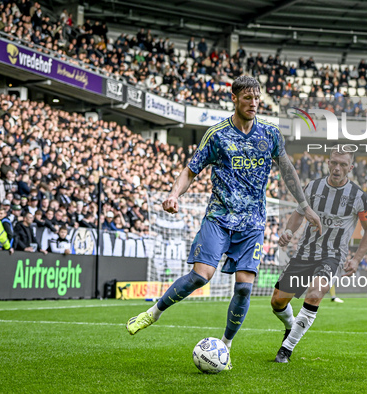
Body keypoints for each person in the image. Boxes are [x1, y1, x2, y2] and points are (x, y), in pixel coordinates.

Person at [125, 76, 322, 369]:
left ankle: (225, 347)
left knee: (244, 288)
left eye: (257, 99)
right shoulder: (217, 135)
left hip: (253, 224)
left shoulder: (269, 134)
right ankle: (153, 313)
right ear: (235, 99)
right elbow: (191, 170)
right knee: (200, 276)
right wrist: (173, 194)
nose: (253, 104)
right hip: (218, 218)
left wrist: (304, 205)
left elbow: (287, 170)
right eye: (247, 99)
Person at [270, 148, 367, 363]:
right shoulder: (312, 187)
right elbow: (299, 214)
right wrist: (289, 232)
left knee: (315, 293)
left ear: (350, 168)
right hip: (304, 253)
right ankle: (291, 326)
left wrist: (356, 259)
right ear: (328, 163)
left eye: (343, 165)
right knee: (277, 302)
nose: (338, 168)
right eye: (334, 163)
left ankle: (286, 349)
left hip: (332, 255)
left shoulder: (359, 197)